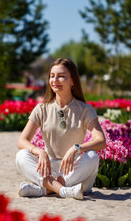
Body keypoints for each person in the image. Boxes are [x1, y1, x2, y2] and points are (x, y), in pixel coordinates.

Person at [16, 58, 106, 199]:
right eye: (52, 76)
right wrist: (39, 152)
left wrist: (77, 149)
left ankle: (45, 190)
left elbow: (101, 141)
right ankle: (63, 191)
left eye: (61, 76)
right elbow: (22, 140)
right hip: (48, 171)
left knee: (92, 157)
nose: (55, 80)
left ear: (72, 81)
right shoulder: (42, 109)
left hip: (74, 172)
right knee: (21, 156)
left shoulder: (85, 109)